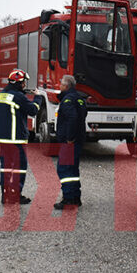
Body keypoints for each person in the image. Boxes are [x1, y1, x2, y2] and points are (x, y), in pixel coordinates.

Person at [0, 69, 42, 205]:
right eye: (24, 82)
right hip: (16, 140)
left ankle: (5, 195)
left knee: (6, 167)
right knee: (19, 166)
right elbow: (33, 110)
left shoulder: (0, 96)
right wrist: (38, 97)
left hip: (2, 140)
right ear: (19, 83)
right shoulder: (18, 97)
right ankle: (15, 196)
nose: (25, 84)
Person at [53, 74, 87, 209]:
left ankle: (68, 199)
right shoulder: (79, 98)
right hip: (78, 140)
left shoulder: (68, 100)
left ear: (66, 86)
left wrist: (69, 138)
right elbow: (83, 115)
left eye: (61, 84)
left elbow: (72, 118)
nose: (59, 86)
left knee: (64, 169)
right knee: (73, 170)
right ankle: (75, 198)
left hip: (70, 142)